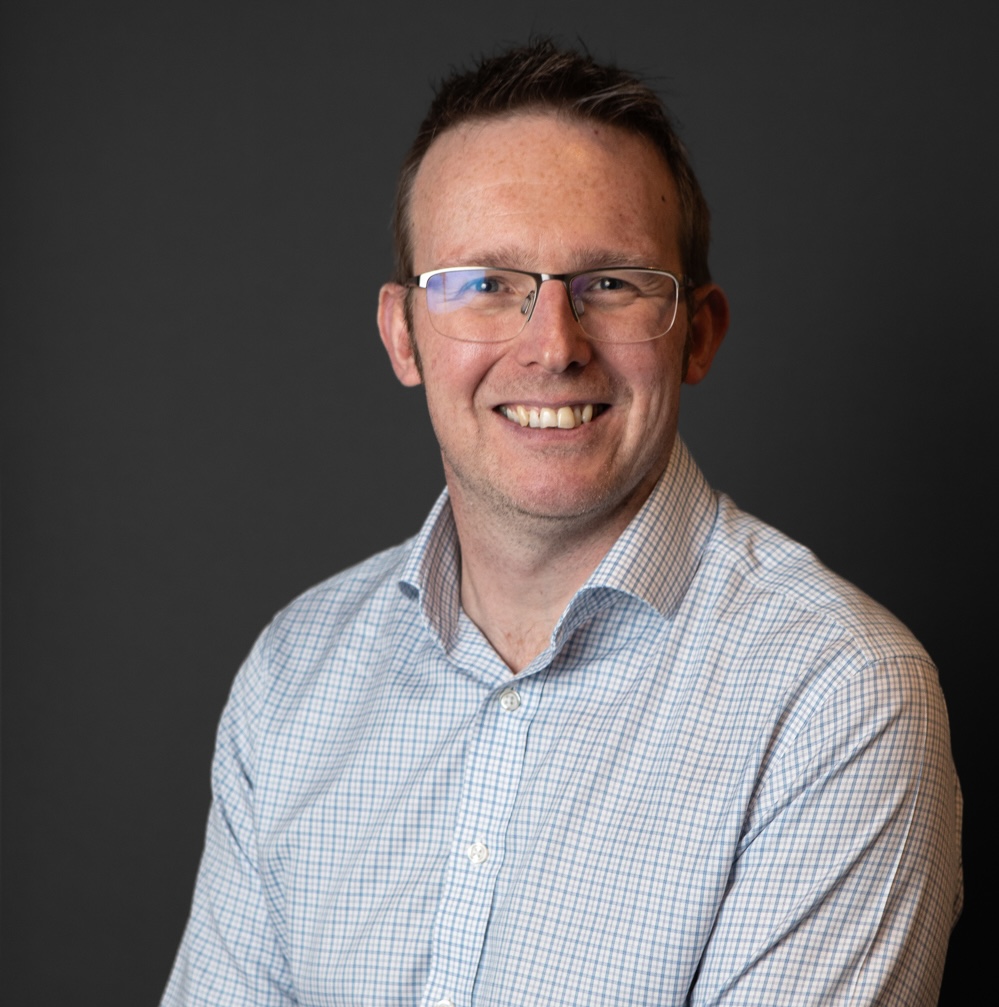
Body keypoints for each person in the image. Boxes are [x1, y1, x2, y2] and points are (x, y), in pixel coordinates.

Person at [161, 38, 962, 1006]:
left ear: (698, 332)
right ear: (401, 335)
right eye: (485, 283)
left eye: (610, 283)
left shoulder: (837, 696)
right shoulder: (295, 673)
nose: (552, 347)